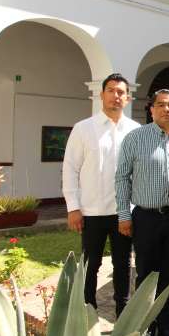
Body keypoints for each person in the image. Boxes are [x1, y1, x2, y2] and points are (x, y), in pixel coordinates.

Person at [115, 88, 169, 336]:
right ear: (151, 109)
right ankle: (144, 329)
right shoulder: (135, 138)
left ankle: (166, 326)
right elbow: (121, 178)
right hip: (146, 217)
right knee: (146, 276)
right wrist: (124, 215)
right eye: (160, 105)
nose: (166, 109)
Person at [62, 73, 139, 317]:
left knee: (123, 264)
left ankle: (122, 311)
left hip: (124, 212)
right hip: (92, 211)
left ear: (127, 98)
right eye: (111, 90)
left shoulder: (135, 131)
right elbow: (70, 168)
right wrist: (73, 207)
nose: (115, 96)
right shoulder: (83, 129)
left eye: (120, 92)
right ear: (101, 94)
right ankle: (87, 311)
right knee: (90, 264)